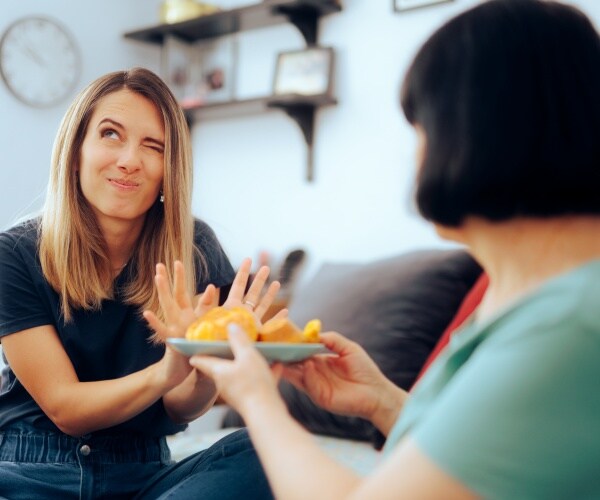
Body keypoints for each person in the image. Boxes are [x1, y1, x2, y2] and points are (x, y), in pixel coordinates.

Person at [152, 1, 600, 498]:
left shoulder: (569, 324)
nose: (416, 155)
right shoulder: (541, 300)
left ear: (483, 130)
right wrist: (381, 401)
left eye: (422, 127)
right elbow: (500, 453)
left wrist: (259, 403)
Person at [0, 67, 278, 499]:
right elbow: (66, 408)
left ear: (169, 170)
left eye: (154, 146)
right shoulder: (14, 253)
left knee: (265, 447)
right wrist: (166, 370)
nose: (130, 159)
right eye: (111, 134)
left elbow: (180, 406)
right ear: (76, 150)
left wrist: (205, 363)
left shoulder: (195, 246)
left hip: (145, 475)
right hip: (34, 470)